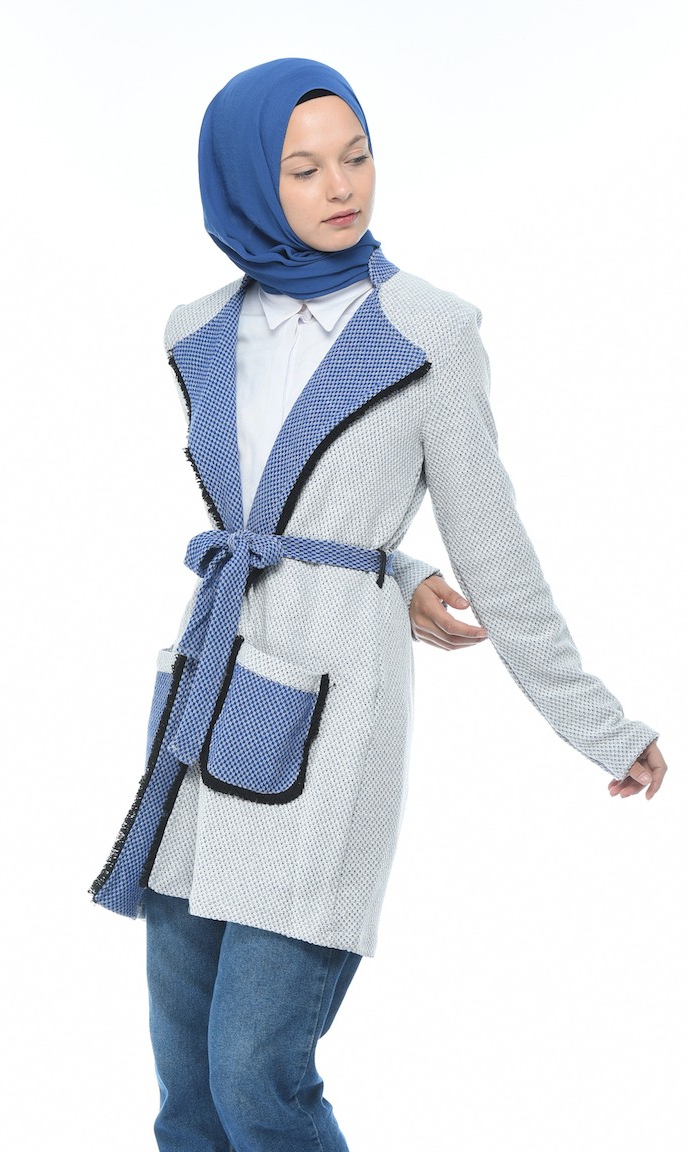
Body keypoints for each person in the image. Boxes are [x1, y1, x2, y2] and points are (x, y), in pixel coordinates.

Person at [90, 58, 667, 1152]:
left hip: (332, 729)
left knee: (256, 1078)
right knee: (186, 1094)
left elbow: (497, 556)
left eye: (356, 157)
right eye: (303, 168)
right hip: (205, 712)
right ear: (245, 183)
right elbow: (279, 513)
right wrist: (390, 573)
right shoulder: (195, 330)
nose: (341, 186)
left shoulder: (427, 330)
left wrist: (600, 725)